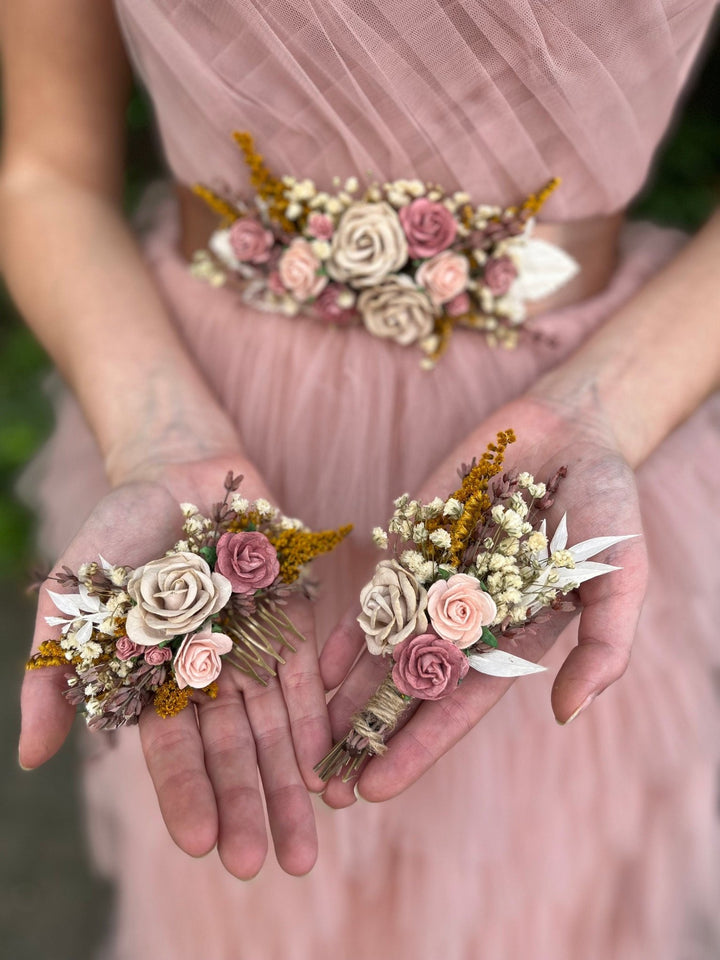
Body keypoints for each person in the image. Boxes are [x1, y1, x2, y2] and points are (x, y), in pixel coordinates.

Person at [2, 0, 720, 957]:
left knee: (533, 877)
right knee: (241, 877)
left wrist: (605, 409)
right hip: (196, 407)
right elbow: (46, 171)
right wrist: (155, 427)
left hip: (545, 480)